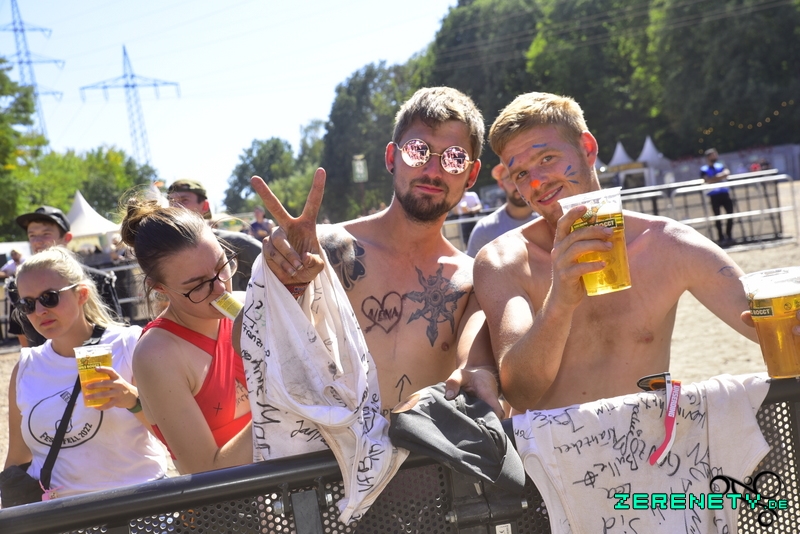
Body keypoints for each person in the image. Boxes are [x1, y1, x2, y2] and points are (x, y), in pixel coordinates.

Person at [473, 91, 760, 412]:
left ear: (587, 148)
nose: (537, 183)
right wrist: (559, 303)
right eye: (521, 174)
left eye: (547, 159)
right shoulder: (504, 261)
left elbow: (769, 324)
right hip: (547, 445)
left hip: (648, 442)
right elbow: (520, 393)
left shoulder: (667, 244)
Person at [253, 86, 500, 416]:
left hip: (421, 448)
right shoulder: (323, 250)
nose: (432, 171)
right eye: (417, 151)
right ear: (391, 157)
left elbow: (475, 365)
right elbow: (246, 342)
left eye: (454, 158)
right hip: (323, 446)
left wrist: (481, 377)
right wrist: (284, 286)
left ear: (471, 174)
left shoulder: (471, 280)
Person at [4, 247, 166, 499]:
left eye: (49, 297)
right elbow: (17, 456)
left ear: (81, 294)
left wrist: (132, 399)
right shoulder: (27, 366)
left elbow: (176, 437)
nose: (40, 311)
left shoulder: (128, 345)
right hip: (60, 514)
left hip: (137, 504)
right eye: (28, 303)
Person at [119, 197, 252, 475]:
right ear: (160, 288)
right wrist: (281, 404)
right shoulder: (158, 354)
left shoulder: (249, 306)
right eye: (198, 285)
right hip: (235, 502)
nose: (221, 289)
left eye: (222, 266)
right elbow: (203, 470)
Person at [8, 206, 123, 347]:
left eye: (46, 234)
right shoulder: (18, 284)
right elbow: (22, 335)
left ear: (66, 238)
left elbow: (112, 328)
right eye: (32, 235)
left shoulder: (97, 279)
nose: (37, 241)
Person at [167, 179, 261, 292]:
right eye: (171, 201)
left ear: (205, 206)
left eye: (184, 200)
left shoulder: (239, 243)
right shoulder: (168, 252)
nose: (175, 206)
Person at [466, 163, 538, 257]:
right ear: (501, 184)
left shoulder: (550, 219)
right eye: (510, 178)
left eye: (522, 175)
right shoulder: (485, 229)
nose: (517, 184)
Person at [700, 148, 735, 247]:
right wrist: (720, 177)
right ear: (708, 157)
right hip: (714, 196)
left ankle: (729, 235)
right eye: (713, 155)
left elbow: (726, 173)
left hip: (725, 193)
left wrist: (714, 178)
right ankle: (721, 238)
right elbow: (707, 180)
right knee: (717, 217)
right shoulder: (704, 169)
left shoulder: (721, 165)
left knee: (730, 215)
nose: (715, 156)